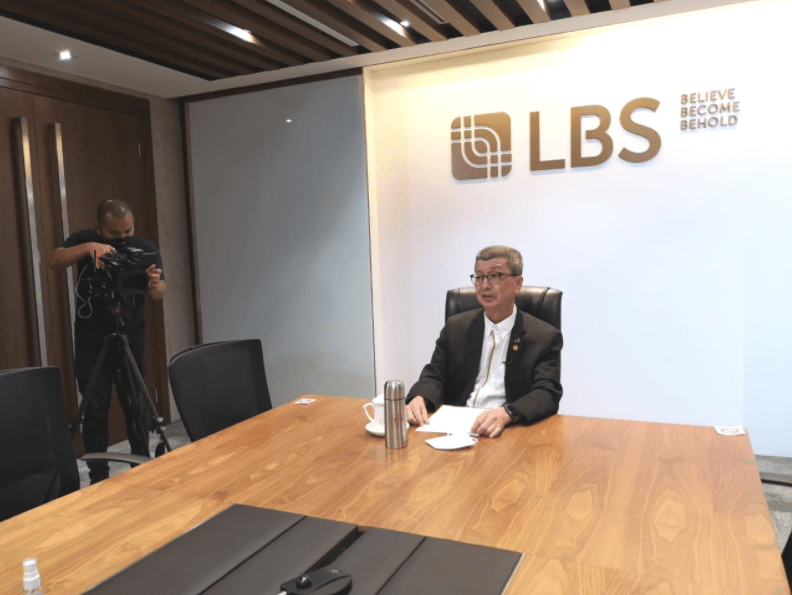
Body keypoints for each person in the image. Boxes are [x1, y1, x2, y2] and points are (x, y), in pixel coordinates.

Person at [49, 199, 165, 483]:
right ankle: (98, 477)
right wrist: (89, 248)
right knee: (95, 409)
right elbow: (54, 260)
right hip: (92, 340)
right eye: (115, 233)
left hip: (131, 335)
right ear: (99, 227)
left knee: (136, 405)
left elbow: (158, 293)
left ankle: (142, 469)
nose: (123, 238)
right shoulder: (86, 240)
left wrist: (154, 285)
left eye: (128, 231)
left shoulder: (145, 247)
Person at [405, 245, 562, 438]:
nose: (485, 285)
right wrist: (419, 397)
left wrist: (508, 413)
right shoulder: (456, 327)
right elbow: (434, 374)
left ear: (517, 284)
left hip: (506, 430)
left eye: (495, 276)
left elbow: (547, 393)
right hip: (453, 428)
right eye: (479, 277)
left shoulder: (544, 337)